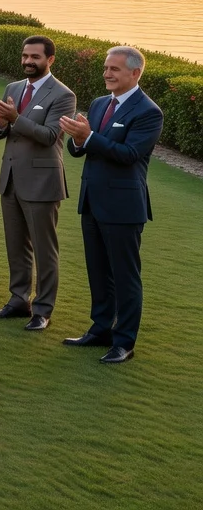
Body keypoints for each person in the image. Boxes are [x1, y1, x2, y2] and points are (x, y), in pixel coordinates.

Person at [59, 46, 163, 364]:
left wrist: (88, 137)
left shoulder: (149, 112)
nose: (107, 73)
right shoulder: (101, 103)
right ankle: (100, 329)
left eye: (114, 69)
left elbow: (130, 155)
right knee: (98, 271)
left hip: (123, 206)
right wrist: (78, 139)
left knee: (125, 276)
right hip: (92, 200)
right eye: (106, 68)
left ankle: (124, 342)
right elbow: (81, 149)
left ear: (135, 73)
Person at [0, 35, 76, 330]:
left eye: (35, 57)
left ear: (50, 60)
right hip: (10, 179)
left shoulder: (63, 95)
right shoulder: (13, 87)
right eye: (25, 56)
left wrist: (14, 117)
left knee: (44, 249)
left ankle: (43, 310)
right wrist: (0, 122)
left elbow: (50, 136)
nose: (28, 61)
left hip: (42, 181)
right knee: (16, 245)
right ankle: (18, 299)